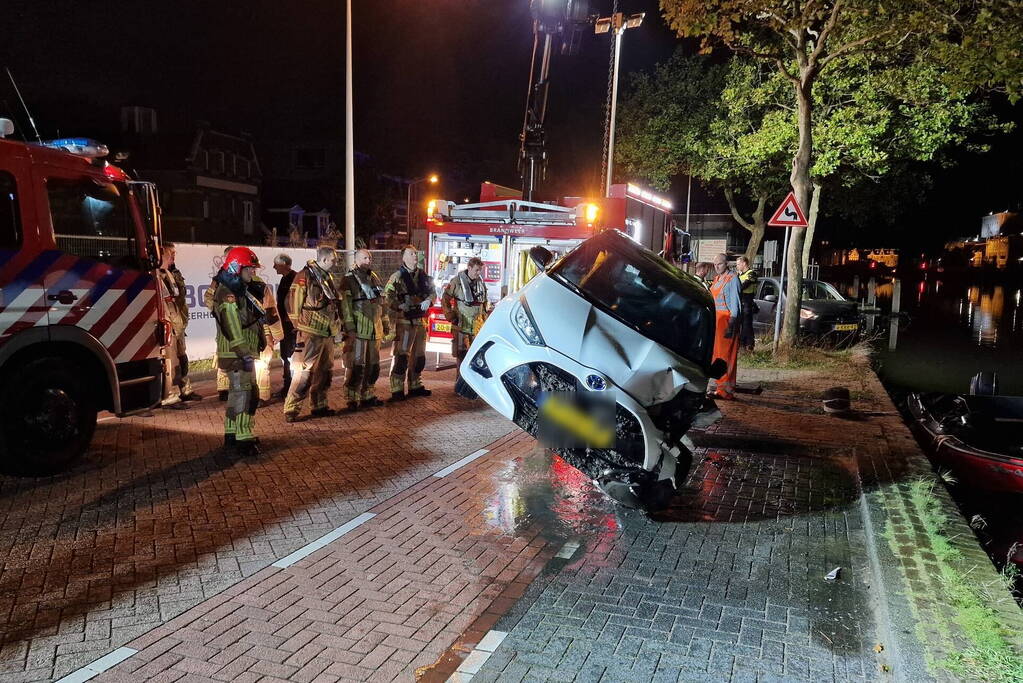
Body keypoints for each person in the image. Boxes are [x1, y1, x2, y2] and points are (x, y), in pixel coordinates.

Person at [211, 247, 265, 456]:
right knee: (245, 394)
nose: (253, 272)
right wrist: (244, 352)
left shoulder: (238, 289)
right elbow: (232, 326)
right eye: (249, 268)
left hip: (239, 352)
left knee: (238, 394)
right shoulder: (228, 293)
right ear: (236, 267)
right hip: (236, 353)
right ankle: (244, 438)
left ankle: (232, 433)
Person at [283, 246, 341, 421]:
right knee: (304, 372)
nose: (336, 263)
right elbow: (293, 303)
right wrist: (299, 326)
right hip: (310, 332)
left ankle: (319, 405)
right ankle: (291, 409)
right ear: (324, 259)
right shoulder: (305, 276)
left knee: (325, 371)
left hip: (326, 332)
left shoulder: (326, 277)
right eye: (333, 260)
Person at [340, 249, 390, 412]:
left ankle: (368, 395)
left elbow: (382, 303)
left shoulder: (374, 277)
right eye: (364, 258)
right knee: (357, 366)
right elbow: (345, 306)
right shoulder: (348, 279)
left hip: (375, 330)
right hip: (359, 331)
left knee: (373, 366)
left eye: (369, 258)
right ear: (356, 260)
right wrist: (350, 328)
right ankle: (352, 398)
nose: (368, 261)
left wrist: (385, 323)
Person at [384, 245, 434, 401]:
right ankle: (397, 389)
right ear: (404, 257)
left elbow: (433, 292)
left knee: (419, 356)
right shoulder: (397, 277)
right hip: (405, 322)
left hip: (420, 322)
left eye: (416, 253)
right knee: (402, 356)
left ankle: (415, 385)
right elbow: (387, 296)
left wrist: (429, 300)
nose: (415, 256)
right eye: (411, 254)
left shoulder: (423, 275)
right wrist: (399, 305)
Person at [158, 242, 202, 407]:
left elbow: (179, 298)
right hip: (169, 324)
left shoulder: (171, 273)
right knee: (171, 361)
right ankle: (171, 394)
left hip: (178, 323)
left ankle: (185, 390)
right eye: (170, 254)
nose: (173, 257)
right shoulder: (157, 276)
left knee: (182, 359)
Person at [442, 257, 488, 384]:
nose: (478, 273)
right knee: (462, 356)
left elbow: (484, 303)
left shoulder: (480, 283)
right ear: (469, 268)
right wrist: (449, 314)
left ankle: (473, 385)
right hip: (461, 325)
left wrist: (485, 319)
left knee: (476, 357)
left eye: (480, 270)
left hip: (477, 327)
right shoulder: (457, 282)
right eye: (477, 270)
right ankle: (460, 384)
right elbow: (445, 298)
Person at [709, 253, 741, 400]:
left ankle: (725, 390)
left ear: (726, 263)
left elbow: (736, 305)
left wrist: (731, 325)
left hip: (726, 322)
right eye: (715, 264)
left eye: (720, 264)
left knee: (725, 356)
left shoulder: (732, 279)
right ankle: (720, 387)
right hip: (717, 322)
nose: (717, 267)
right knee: (717, 355)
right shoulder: (717, 279)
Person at [205, 246, 234, 401]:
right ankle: (223, 389)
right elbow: (208, 297)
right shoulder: (219, 278)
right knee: (224, 351)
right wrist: (217, 312)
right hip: (224, 323)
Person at [273, 254, 297, 398]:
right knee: (285, 355)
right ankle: (288, 385)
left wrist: (293, 321)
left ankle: (293, 387)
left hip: (291, 325)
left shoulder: (294, 278)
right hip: (285, 325)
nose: (274, 267)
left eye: (276, 264)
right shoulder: (285, 279)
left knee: (290, 356)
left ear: (284, 264)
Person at [736, 255, 759, 352]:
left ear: (744, 263)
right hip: (740, 301)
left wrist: (737, 285)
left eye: (738, 264)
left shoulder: (751, 273)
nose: (737, 266)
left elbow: (743, 286)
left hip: (747, 301)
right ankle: (742, 345)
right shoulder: (740, 275)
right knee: (741, 325)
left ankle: (749, 345)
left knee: (747, 324)